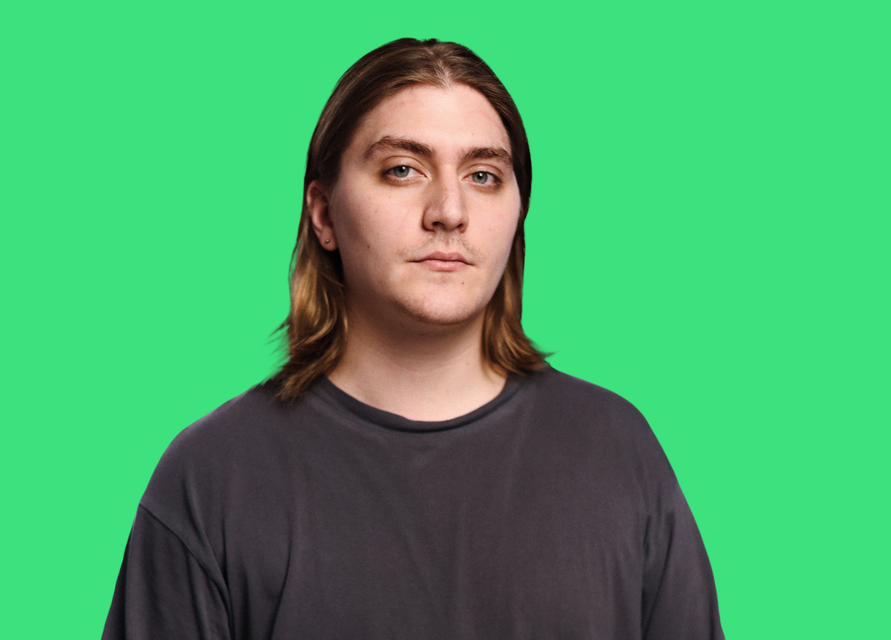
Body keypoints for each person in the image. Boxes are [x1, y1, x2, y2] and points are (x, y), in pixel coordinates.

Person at [103, 38, 724, 639]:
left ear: (517, 215)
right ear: (323, 213)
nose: (449, 210)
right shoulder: (212, 477)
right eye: (402, 170)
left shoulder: (617, 451)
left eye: (484, 175)